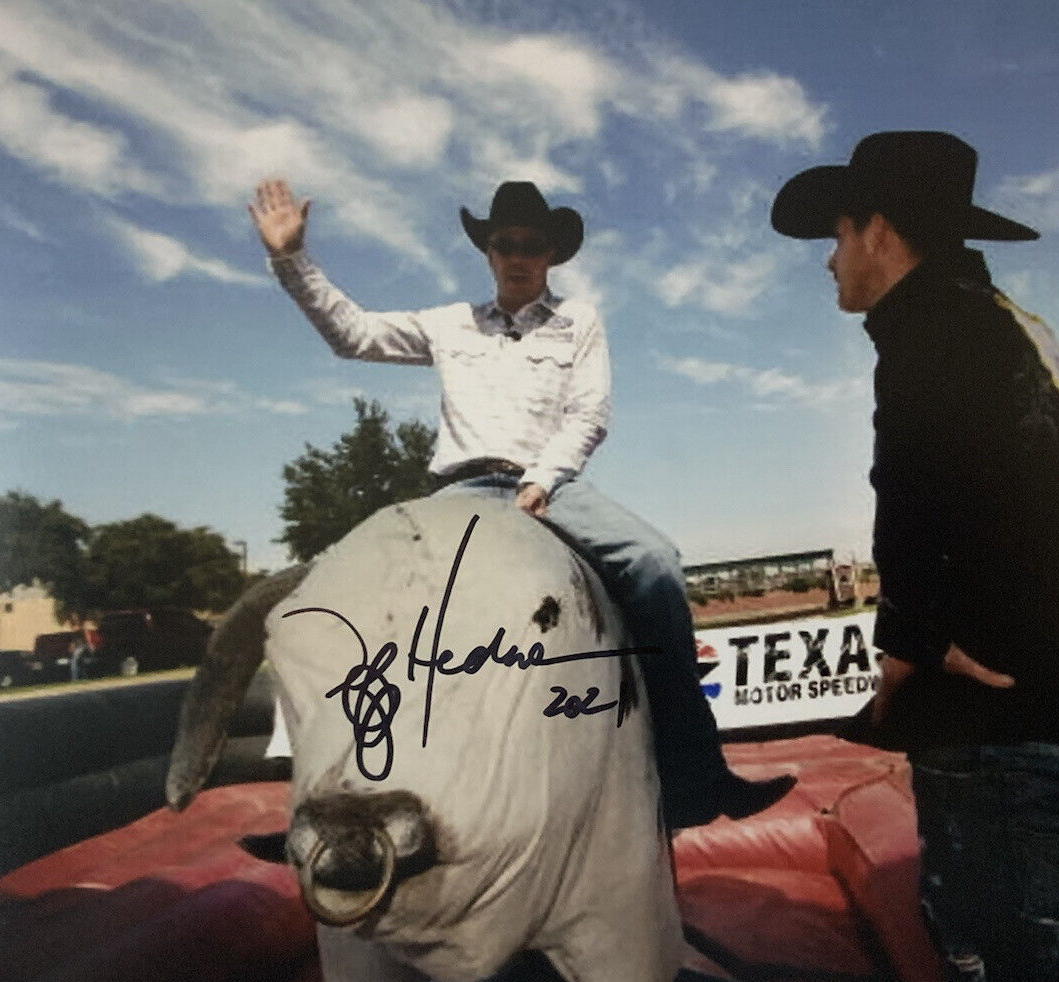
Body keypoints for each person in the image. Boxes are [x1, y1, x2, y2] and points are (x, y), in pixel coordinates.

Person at [250, 177, 794, 829]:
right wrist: (291, 259)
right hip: (458, 490)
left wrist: (541, 480)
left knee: (653, 561)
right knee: (353, 597)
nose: (516, 255)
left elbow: (589, 413)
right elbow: (354, 335)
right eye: (504, 243)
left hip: (550, 486)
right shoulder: (449, 323)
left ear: (550, 256)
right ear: (486, 251)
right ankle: (330, 803)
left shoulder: (578, 322)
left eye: (530, 245)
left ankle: (692, 772)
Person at [770, 131, 1059, 982]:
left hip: (996, 730)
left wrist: (912, 644)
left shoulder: (933, 333)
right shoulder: (990, 324)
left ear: (877, 229)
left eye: (834, 236)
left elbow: (911, 488)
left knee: (1004, 961)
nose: (827, 261)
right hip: (1040, 704)